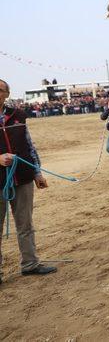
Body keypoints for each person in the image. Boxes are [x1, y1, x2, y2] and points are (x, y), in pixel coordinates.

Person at [0, 79, 57, 284]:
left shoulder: (18, 116)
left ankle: (30, 264)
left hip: (22, 178)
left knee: (25, 224)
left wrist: (37, 173)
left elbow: (29, 146)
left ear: (6, 93)